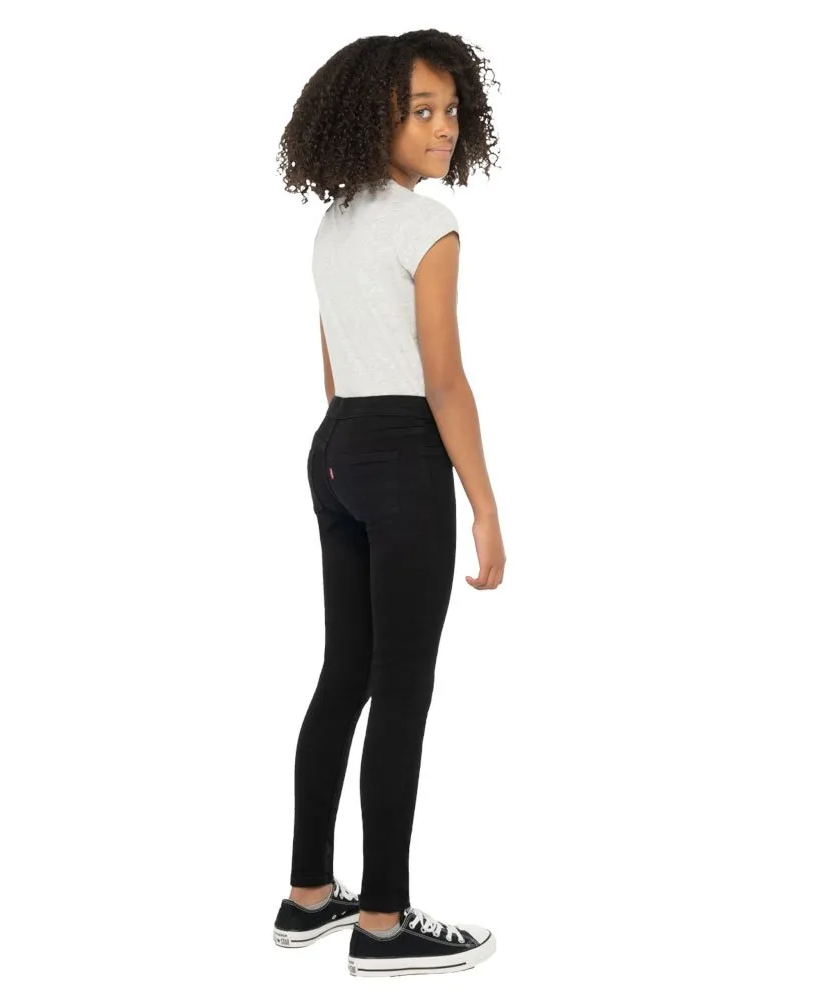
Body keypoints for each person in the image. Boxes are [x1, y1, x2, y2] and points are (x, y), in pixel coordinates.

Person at [271, 30, 506, 978]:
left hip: (335, 449)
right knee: (402, 687)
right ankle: (381, 920)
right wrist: (483, 505)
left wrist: (357, 455)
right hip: (404, 452)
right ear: (376, 118)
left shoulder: (334, 224)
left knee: (346, 673)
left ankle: (307, 896)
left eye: (451, 110)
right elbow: (444, 381)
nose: (444, 128)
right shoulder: (427, 224)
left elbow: (334, 370)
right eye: (422, 111)